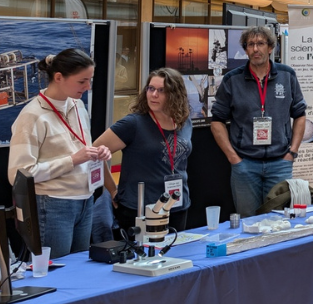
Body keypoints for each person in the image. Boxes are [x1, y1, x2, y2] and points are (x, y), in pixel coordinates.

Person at [8, 48, 112, 259]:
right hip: (53, 203)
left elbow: (82, 148)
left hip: (86, 199)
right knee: (56, 274)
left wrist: (99, 152)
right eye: (82, 81)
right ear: (58, 77)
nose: (88, 87)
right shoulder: (32, 116)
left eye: (90, 80)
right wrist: (73, 160)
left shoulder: (78, 105)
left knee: (80, 269)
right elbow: (19, 175)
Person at [211, 26, 307, 217]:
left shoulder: (287, 76)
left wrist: (292, 153)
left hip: (280, 163)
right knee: (248, 221)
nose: (256, 49)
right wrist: (233, 158)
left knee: (280, 221)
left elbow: (300, 115)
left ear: (271, 47)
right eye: (250, 45)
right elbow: (217, 121)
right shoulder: (232, 80)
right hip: (245, 165)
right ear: (245, 50)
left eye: (261, 43)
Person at [94, 68, 193, 234]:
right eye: (151, 88)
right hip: (140, 208)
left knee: (174, 256)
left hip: (177, 205)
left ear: (175, 94)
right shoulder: (133, 124)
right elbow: (94, 153)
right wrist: (112, 190)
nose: (154, 95)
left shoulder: (184, 121)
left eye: (162, 91)